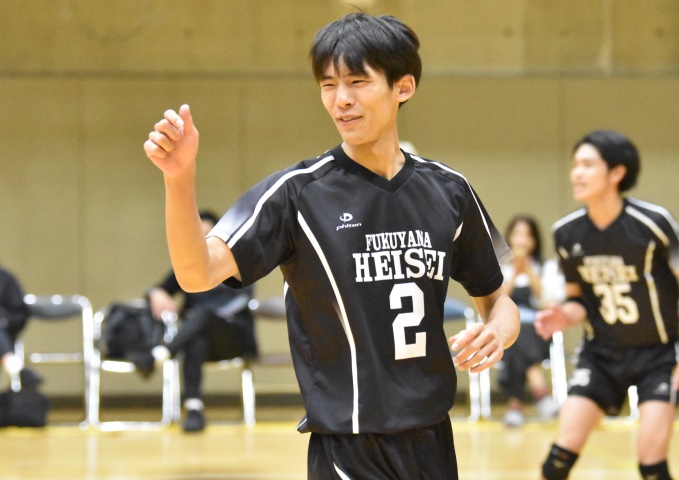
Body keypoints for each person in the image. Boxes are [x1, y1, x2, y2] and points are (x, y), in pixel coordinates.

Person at [144, 13, 519, 478]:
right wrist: (179, 179)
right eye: (328, 85)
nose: (341, 99)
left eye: (358, 82)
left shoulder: (450, 191)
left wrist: (498, 331)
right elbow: (195, 273)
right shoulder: (297, 193)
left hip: (433, 442)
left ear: (403, 87)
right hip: (348, 449)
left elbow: (498, 298)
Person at [535, 130, 679, 480]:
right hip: (600, 355)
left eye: (587, 165)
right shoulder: (566, 232)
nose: (576, 173)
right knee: (556, 462)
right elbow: (579, 300)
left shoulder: (653, 223)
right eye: (575, 165)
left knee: (651, 466)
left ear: (617, 172)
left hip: (657, 356)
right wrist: (563, 316)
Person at [135, 210, 258, 433]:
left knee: (202, 316)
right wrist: (156, 293)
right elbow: (161, 288)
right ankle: (194, 409)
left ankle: (159, 355)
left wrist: (200, 315)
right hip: (202, 337)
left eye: (209, 235)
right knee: (196, 340)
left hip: (234, 337)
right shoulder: (190, 267)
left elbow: (239, 302)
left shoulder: (238, 262)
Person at [498, 215, 562, 427]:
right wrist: (515, 275)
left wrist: (529, 273)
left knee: (520, 334)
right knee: (514, 333)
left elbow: (549, 303)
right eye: (517, 234)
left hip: (539, 330)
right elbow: (495, 302)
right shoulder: (499, 268)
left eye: (527, 235)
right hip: (507, 330)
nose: (522, 240)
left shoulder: (546, 268)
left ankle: (515, 406)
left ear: (534, 241)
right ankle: (541, 393)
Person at [0, 265, 41, 389]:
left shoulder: (5, 278)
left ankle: (11, 362)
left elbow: (18, 312)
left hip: (5, 328)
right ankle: (14, 365)